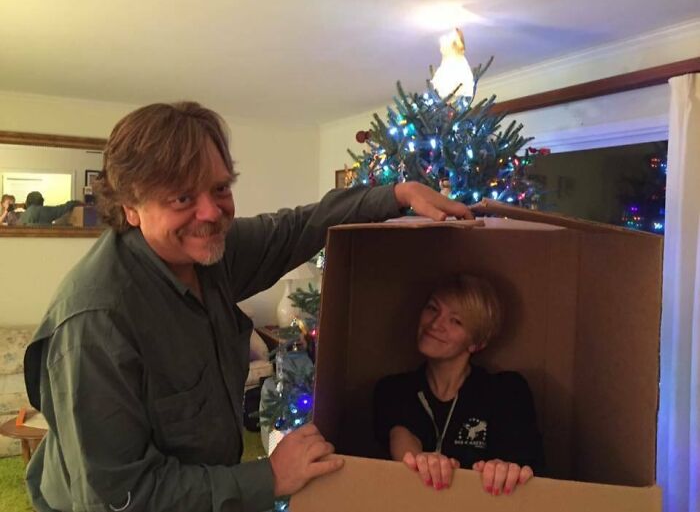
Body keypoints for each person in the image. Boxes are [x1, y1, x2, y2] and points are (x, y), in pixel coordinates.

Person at [23, 101, 473, 512]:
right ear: (131, 207)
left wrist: (396, 195)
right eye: (182, 197)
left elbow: (296, 227)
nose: (212, 213)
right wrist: (270, 476)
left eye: (219, 188)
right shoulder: (95, 324)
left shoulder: (206, 253)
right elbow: (118, 498)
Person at [374, 274, 543, 497]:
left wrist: (504, 469)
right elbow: (401, 435)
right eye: (433, 308)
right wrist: (419, 462)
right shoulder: (394, 389)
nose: (435, 324)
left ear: (477, 342)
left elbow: (524, 463)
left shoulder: (506, 392)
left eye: (456, 321)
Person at [17, 191, 81, 225]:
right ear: (41, 201)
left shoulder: (23, 215)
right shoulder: (45, 211)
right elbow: (62, 208)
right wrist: (74, 202)